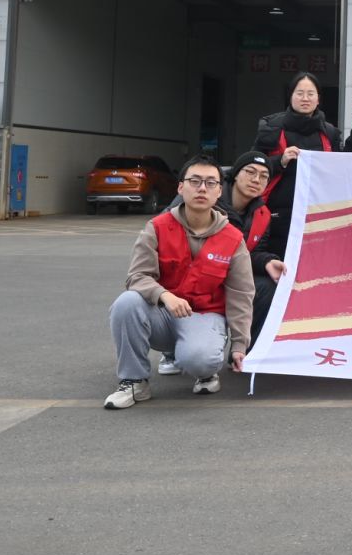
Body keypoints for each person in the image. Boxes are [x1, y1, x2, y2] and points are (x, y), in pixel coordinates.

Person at [104, 156, 253, 410]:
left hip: (205, 315)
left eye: (210, 183)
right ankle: (134, 381)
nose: (202, 188)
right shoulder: (157, 227)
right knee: (126, 303)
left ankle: (205, 372)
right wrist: (164, 296)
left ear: (219, 192)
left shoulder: (233, 238)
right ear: (181, 187)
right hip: (163, 314)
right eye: (195, 181)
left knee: (200, 360)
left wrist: (239, 344)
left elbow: (241, 294)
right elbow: (137, 276)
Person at [156, 150, 281, 372]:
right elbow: (167, 232)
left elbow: (251, 253)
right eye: (250, 172)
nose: (256, 179)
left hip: (226, 272)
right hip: (192, 274)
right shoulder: (204, 196)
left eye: (264, 176)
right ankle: (172, 350)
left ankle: (244, 352)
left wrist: (267, 261)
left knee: (266, 286)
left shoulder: (263, 214)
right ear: (235, 174)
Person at [254, 71, 341, 258]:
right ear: (291, 96)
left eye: (311, 94)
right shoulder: (271, 127)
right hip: (277, 211)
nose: (305, 98)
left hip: (318, 211)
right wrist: (280, 161)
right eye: (299, 93)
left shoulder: (330, 133)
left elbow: (342, 170)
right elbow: (252, 166)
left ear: (318, 99)